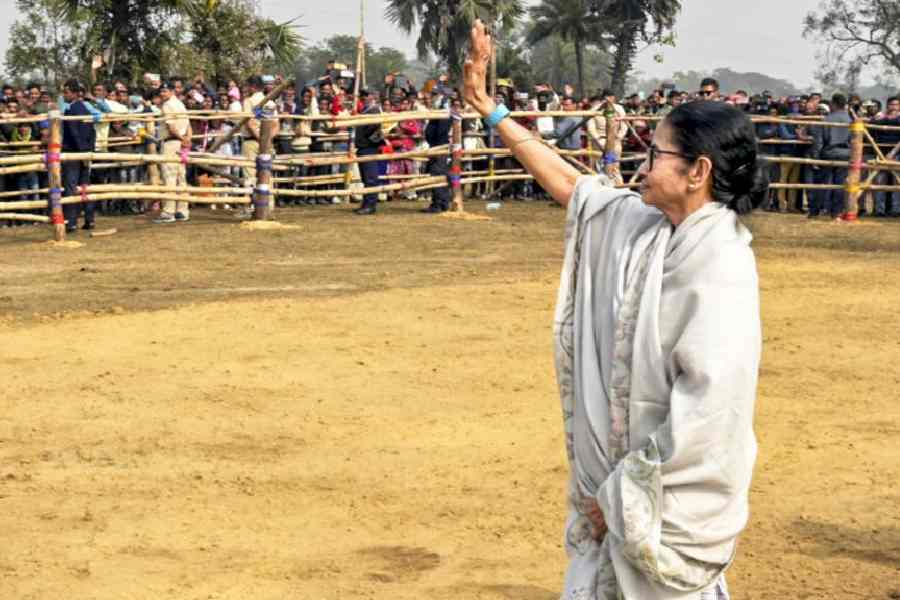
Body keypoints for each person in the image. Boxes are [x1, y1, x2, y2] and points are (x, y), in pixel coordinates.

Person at [463, 20, 764, 600]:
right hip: (617, 503)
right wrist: (489, 108)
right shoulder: (644, 227)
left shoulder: (721, 265)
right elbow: (575, 191)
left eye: (656, 152)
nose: (642, 161)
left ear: (698, 172)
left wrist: (624, 496)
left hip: (664, 511)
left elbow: (711, 412)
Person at [60, 79, 97, 232]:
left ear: (75, 93)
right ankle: (89, 219)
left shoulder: (72, 111)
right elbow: (92, 132)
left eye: (66, 92)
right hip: (85, 151)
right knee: (84, 187)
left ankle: (71, 221)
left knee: (71, 187)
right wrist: (88, 151)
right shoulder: (86, 109)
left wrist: (81, 152)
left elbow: (75, 134)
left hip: (73, 153)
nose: (64, 95)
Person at [154, 81, 192, 224]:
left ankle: (168, 212)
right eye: (161, 92)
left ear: (171, 91)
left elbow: (171, 127)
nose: (162, 94)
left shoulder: (167, 105)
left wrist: (183, 138)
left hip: (172, 142)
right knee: (181, 176)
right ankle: (182, 210)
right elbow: (188, 125)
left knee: (169, 176)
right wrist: (187, 139)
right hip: (181, 143)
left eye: (164, 91)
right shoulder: (180, 104)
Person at [810, 93, 851, 219]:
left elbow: (819, 141)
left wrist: (815, 158)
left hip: (828, 153)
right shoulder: (850, 120)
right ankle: (836, 213)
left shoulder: (826, 119)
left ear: (833, 104)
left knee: (822, 183)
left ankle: (815, 211)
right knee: (840, 185)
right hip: (845, 154)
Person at [352, 89, 383, 215]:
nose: (364, 97)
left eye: (367, 95)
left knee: (370, 178)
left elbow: (370, 129)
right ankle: (366, 203)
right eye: (362, 96)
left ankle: (370, 205)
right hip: (363, 147)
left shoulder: (374, 110)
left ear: (372, 96)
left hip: (369, 146)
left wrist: (358, 119)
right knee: (366, 178)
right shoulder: (364, 110)